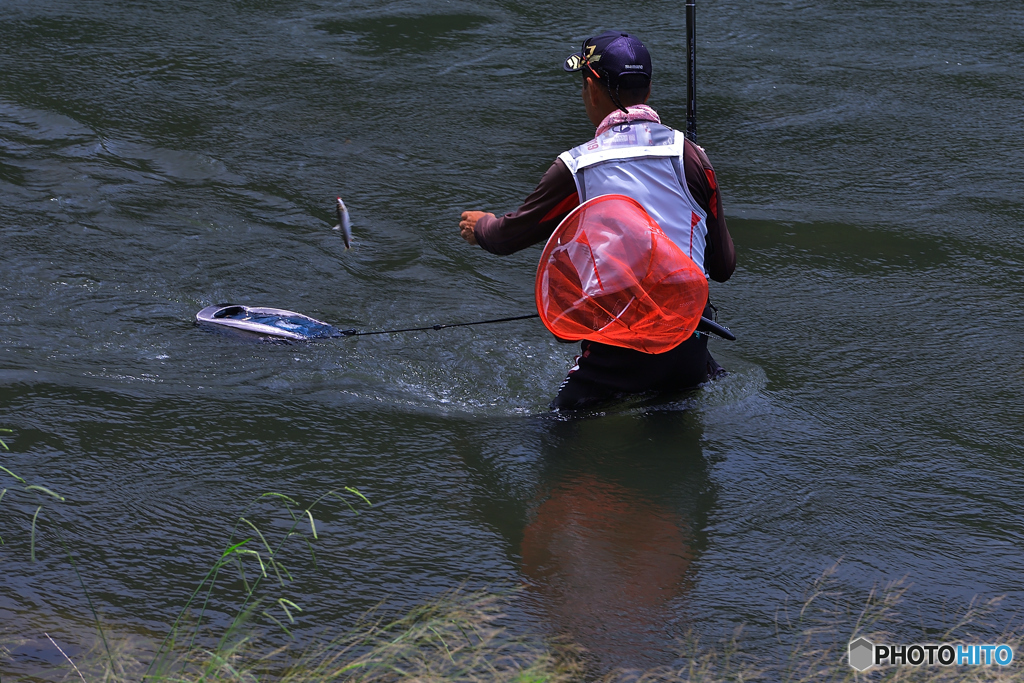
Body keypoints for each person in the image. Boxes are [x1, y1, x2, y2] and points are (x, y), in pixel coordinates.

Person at [459, 31, 735, 410]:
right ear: (649, 91)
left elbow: (510, 236)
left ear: (591, 88)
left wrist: (482, 228)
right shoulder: (692, 158)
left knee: (553, 439)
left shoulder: (578, 166)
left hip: (618, 348)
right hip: (690, 345)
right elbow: (722, 267)